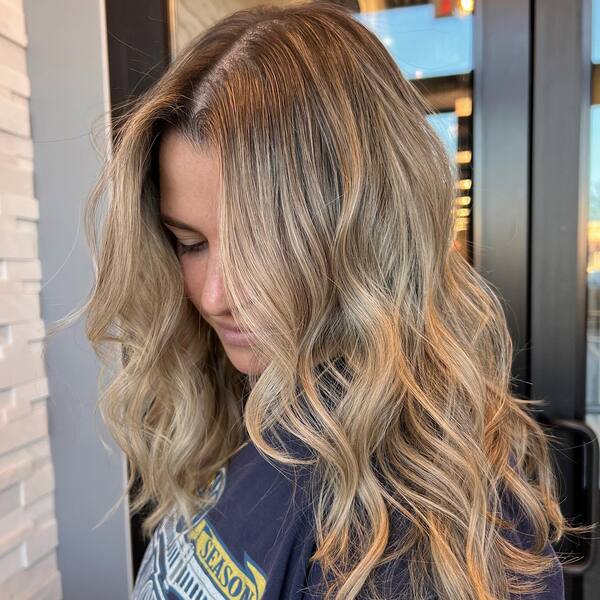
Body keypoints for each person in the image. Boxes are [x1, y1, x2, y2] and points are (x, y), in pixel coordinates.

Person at [52, 2, 587, 599]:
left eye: (263, 246)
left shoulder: (420, 529)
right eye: (190, 243)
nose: (215, 296)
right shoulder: (254, 403)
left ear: (365, 235)